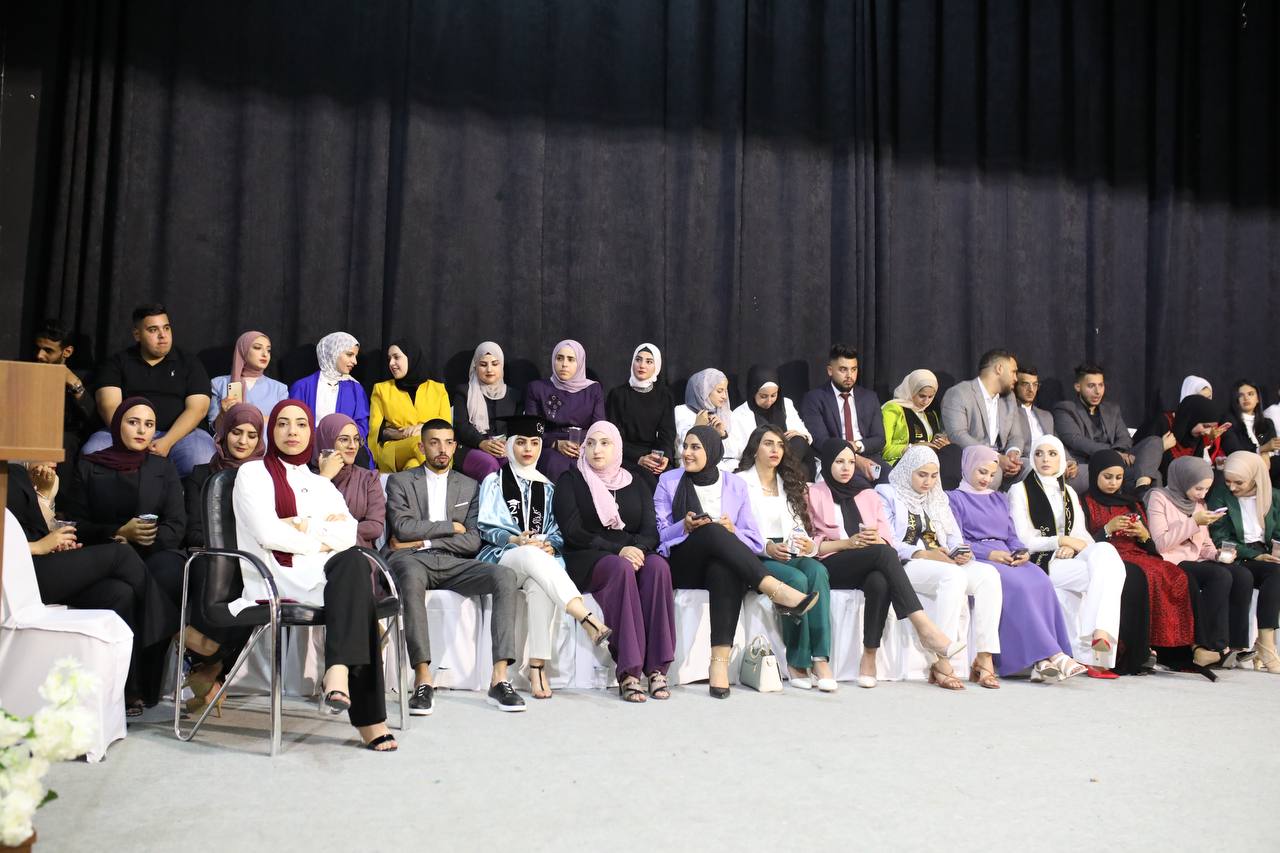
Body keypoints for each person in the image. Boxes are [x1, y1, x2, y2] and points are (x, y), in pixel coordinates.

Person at [231, 400, 397, 750]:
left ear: (310, 432)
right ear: (271, 430)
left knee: (354, 563)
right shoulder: (252, 474)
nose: (292, 431)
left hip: (323, 574)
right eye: (283, 424)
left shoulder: (318, 482)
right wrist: (319, 534)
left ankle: (338, 671)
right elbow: (268, 534)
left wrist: (301, 525)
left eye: (301, 424)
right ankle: (368, 717)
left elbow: (348, 532)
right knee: (357, 594)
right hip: (275, 575)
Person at [62, 397, 222, 707]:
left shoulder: (163, 467)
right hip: (105, 554)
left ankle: (149, 686)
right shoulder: (90, 466)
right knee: (121, 591)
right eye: (133, 422)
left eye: (149, 425)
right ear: (117, 424)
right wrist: (118, 532)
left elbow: (176, 526)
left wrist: (142, 540)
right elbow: (76, 524)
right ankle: (132, 686)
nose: (141, 430)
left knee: (168, 572)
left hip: (154, 552)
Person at [654, 425, 818, 698]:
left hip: (722, 562)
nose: (687, 453)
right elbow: (658, 534)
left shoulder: (734, 485)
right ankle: (773, 588)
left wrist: (733, 531)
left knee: (724, 568)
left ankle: (718, 664)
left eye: (695, 447)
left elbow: (753, 539)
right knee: (711, 529)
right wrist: (684, 525)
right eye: (685, 446)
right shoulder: (668, 480)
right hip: (683, 561)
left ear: (712, 451)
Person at [6, 461, 178, 715]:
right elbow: (27, 542)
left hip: (40, 563)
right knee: (120, 555)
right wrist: (37, 547)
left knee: (119, 593)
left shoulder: (17, 473)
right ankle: (178, 631)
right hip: (18, 572)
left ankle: (126, 692)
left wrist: (45, 499)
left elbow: (38, 529)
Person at [384, 420, 525, 713]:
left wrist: (424, 540)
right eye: (434, 442)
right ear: (422, 446)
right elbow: (403, 527)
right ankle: (423, 679)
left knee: (504, 576)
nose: (442, 449)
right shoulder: (400, 482)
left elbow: (472, 540)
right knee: (409, 577)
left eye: (448, 442)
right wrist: (449, 527)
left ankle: (499, 679)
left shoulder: (470, 486)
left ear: (455, 446)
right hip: (412, 561)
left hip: (453, 562)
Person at [806, 439, 962, 689]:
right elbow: (808, 545)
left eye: (850, 462)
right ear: (826, 463)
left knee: (879, 581)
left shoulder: (868, 494)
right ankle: (924, 627)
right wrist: (847, 543)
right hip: (831, 563)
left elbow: (887, 538)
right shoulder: (812, 493)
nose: (846, 468)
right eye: (839, 462)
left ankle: (869, 655)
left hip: (867, 559)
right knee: (884, 555)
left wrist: (876, 539)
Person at [476, 414, 612, 699]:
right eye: (521, 442)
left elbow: (558, 532)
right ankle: (585, 617)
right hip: (502, 558)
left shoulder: (548, 487)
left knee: (540, 586)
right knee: (529, 553)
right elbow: (486, 526)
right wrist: (515, 539)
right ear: (510, 444)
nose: (528, 449)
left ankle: (537, 667)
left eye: (535, 443)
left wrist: (551, 544)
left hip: (538, 564)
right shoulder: (493, 481)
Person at [554, 421, 675, 702]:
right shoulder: (571, 480)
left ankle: (657, 668)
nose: (597, 450)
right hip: (587, 556)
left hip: (630, 551)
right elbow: (573, 532)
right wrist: (619, 550)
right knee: (620, 568)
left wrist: (638, 550)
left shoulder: (636, 481)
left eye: (604, 443)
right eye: (591, 443)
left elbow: (650, 531)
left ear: (617, 447)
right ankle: (629, 671)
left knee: (658, 567)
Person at [947, 445, 1085, 682]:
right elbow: (957, 541)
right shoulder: (953, 499)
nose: (987, 479)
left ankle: (1041, 661)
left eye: (992, 474)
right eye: (982, 472)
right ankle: (1055, 654)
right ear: (967, 466)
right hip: (980, 558)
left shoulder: (999, 498)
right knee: (1019, 586)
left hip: (1007, 556)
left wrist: (1022, 552)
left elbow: (1012, 536)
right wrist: (990, 554)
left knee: (1040, 579)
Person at [874, 446, 1002, 689]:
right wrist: (924, 553)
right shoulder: (886, 494)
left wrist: (960, 552)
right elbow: (887, 540)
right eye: (922, 475)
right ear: (908, 470)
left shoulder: (937, 497)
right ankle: (941, 660)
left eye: (934, 476)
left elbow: (954, 538)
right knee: (953, 577)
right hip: (907, 564)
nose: (929, 482)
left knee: (989, 575)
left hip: (943, 561)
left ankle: (984, 657)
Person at [1008, 435, 1133, 674]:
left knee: (1106, 553)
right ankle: (1097, 646)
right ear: (1032, 458)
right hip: (1041, 561)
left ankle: (1100, 633)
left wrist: (1074, 546)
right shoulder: (1019, 490)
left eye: (1052, 454)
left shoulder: (1069, 493)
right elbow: (1023, 539)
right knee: (1108, 575)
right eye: (1039, 454)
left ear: (1062, 460)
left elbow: (1081, 535)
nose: (1045, 459)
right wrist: (1060, 542)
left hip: (1070, 558)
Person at [1081, 450, 1203, 673]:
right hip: (1109, 557)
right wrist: (1107, 529)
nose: (1113, 483)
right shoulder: (1085, 502)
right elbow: (1084, 543)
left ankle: (1172, 650)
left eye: (1118, 477)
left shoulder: (1131, 503)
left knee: (1175, 575)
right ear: (1095, 474)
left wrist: (1142, 533)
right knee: (1139, 577)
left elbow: (1150, 545)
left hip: (1138, 554)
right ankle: (1137, 651)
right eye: (1107, 477)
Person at [734, 425, 834, 691]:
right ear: (755, 448)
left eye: (780, 445)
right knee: (796, 579)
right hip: (756, 555)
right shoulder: (740, 482)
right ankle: (797, 660)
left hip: (789, 550)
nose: (775, 450)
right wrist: (766, 547)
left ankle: (820, 658)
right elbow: (733, 530)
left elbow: (801, 527)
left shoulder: (789, 482)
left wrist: (807, 546)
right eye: (768, 443)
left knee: (817, 571)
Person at [82, 303, 215, 477]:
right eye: (153, 330)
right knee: (92, 452)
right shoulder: (117, 362)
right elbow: (108, 406)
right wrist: (133, 440)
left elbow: (199, 409)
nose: (163, 335)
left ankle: (176, 492)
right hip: (126, 434)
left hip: (180, 436)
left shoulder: (189, 362)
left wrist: (167, 441)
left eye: (166, 328)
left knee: (202, 458)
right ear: (137, 335)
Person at [1146, 457, 1252, 667]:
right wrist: (1194, 522)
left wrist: (1217, 555)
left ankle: (1235, 645)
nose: (1202, 494)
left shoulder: (1198, 504)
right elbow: (1161, 544)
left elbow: (1204, 543)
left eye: (1206, 489)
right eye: (1198, 489)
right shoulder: (1159, 498)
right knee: (1219, 576)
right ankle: (1212, 646)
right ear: (1183, 480)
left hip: (1196, 559)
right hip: (1172, 561)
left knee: (1242, 574)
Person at [1207, 452, 1280, 674]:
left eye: (1239, 482)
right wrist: (1253, 555)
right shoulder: (1220, 495)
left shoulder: (1273, 496)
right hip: (1237, 555)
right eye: (1228, 481)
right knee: (1274, 573)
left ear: (1255, 478)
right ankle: (1266, 646)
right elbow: (1219, 537)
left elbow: (1278, 532)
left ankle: (1264, 642)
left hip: (1266, 555)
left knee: (1276, 573)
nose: (1232, 487)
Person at [1052, 362, 1167, 492]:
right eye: (1091, 386)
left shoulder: (1112, 409)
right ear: (1078, 387)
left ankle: (1142, 486)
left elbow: (1125, 438)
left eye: (1100, 385)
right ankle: (1143, 489)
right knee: (1155, 474)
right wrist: (1113, 453)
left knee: (1155, 441)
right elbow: (1076, 440)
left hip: (1118, 463)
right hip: (1091, 465)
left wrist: (1118, 453)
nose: (1097, 392)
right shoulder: (1065, 409)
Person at [799, 344, 884, 485]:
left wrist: (857, 446)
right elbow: (820, 440)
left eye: (854, 369)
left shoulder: (869, 397)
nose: (849, 375)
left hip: (869, 457)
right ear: (830, 370)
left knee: (893, 485)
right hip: (835, 461)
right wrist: (854, 459)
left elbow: (879, 439)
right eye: (843, 369)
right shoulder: (814, 398)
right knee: (861, 488)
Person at [183, 403, 266, 549]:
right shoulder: (200, 475)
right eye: (236, 432)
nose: (243, 441)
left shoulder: (267, 477)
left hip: (258, 555)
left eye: (252, 436)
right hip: (213, 556)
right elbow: (192, 533)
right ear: (225, 432)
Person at [939, 349, 1025, 487]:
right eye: (1013, 372)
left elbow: (1016, 436)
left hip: (1002, 457)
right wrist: (996, 458)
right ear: (999, 369)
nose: (1016, 378)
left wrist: (1012, 455)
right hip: (972, 459)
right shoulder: (959, 393)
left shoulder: (1009, 398)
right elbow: (957, 435)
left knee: (1031, 468)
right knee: (993, 473)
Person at [523, 339, 606, 482]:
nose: (564, 364)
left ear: (580, 362)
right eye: (559, 358)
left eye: (571, 359)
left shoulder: (593, 390)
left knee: (589, 466)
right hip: (550, 446)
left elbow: (599, 428)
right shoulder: (538, 388)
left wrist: (584, 446)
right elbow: (531, 429)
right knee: (554, 464)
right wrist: (556, 444)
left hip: (584, 446)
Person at [369, 340, 451, 473]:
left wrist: (424, 428)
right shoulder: (381, 389)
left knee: (413, 466)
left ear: (411, 358)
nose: (391, 363)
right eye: (389, 359)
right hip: (394, 449)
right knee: (418, 443)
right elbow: (375, 430)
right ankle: (443, 477)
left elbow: (447, 427)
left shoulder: (438, 389)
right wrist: (371, 465)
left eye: (396, 357)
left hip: (432, 449)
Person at [605, 343, 676, 493]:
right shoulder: (618, 395)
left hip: (653, 456)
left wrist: (665, 457)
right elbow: (613, 437)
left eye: (649, 361)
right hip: (625, 455)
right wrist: (638, 458)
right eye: (638, 360)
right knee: (646, 481)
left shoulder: (664, 396)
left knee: (671, 481)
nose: (642, 365)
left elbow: (667, 435)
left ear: (656, 366)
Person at [288, 332, 371, 458]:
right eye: (349, 354)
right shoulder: (302, 387)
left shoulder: (356, 389)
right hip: (308, 452)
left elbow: (362, 426)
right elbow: (294, 423)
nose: (354, 361)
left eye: (355, 356)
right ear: (333, 353)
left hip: (346, 454)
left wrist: (343, 442)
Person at [450, 341, 523, 483]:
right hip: (469, 447)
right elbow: (461, 426)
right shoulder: (464, 392)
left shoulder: (514, 395)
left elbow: (518, 426)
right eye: (483, 364)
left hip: (504, 448)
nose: (489, 369)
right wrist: (481, 442)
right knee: (489, 465)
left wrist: (507, 444)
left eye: (495, 364)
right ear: (475, 366)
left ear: (501, 365)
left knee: (512, 465)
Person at [313, 414, 386, 549]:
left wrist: (341, 529)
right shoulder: (305, 477)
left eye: (356, 439)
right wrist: (325, 477)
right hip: (315, 551)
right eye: (344, 439)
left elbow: (375, 526)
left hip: (357, 551)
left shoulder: (368, 478)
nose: (353, 446)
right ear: (326, 440)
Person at [729, 366, 813, 478]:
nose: (769, 401)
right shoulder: (739, 415)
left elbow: (806, 435)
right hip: (761, 463)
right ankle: (779, 476)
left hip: (789, 458)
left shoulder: (786, 404)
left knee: (799, 441)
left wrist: (800, 434)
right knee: (801, 470)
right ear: (753, 392)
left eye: (773, 395)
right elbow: (736, 453)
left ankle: (780, 475)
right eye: (763, 396)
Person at [32, 318, 95, 467]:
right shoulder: (24, 372)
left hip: (64, 439)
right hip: (30, 434)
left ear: (67, 351)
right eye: (38, 348)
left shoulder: (83, 378)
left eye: (48, 350)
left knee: (65, 440)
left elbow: (94, 419)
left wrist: (74, 384)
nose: (39, 355)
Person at [206, 330, 288, 429]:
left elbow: (283, 425)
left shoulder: (280, 389)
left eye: (268, 350)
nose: (265, 354)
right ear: (243, 350)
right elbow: (215, 429)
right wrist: (223, 414)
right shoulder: (219, 384)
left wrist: (245, 417)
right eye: (257, 348)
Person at [674, 368, 742, 471]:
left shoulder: (726, 414)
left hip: (722, 469)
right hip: (689, 467)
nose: (724, 396)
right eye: (719, 391)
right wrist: (697, 427)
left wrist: (723, 435)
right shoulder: (681, 412)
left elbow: (734, 453)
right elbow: (680, 451)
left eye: (725, 391)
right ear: (704, 390)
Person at [1222, 380, 1280, 477]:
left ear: (1257, 398)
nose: (1246, 398)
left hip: (1269, 466)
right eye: (1241, 395)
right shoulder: (1228, 421)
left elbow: (1273, 449)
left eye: (1250, 394)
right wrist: (1262, 449)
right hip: (1242, 467)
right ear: (1236, 400)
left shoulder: (1267, 423)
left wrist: (1265, 453)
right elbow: (1234, 451)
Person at [1163, 394, 1230, 474]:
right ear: (1192, 418)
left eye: (1212, 427)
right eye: (1205, 426)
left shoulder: (1198, 439)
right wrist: (1161, 447)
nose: (1208, 432)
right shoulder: (1163, 424)